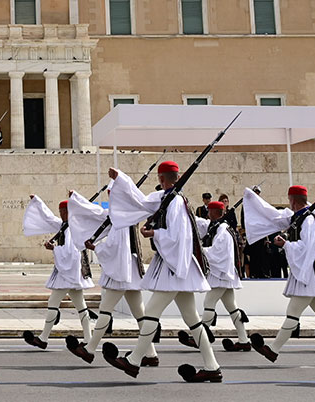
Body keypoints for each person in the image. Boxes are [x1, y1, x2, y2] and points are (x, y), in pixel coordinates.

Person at [101, 162, 222, 383]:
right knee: (193, 321)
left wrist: (154, 233)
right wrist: (121, 178)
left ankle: (135, 360)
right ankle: (212, 366)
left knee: (151, 312)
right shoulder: (168, 198)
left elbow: (177, 237)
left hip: (174, 268)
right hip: (176, 268)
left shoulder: (175, 202)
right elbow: (140, 201)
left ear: (161, 178)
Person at [242, 185, 315, 368]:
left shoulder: (308, 220)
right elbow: (276, 217)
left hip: (309, 275)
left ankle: (273, 350)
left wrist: (285, 245)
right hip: (311, 275)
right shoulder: (301, 218)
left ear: (292, 199)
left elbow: (307, 248)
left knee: (293, 314)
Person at [64, 184, 148, 366]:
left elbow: (115, 245)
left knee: (105, 310)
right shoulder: (125, 212)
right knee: (140, 314)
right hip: (130, 268)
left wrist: (96, 247)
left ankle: (90, 349)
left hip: (121, 269)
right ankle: (150, 354)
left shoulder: (120, 216)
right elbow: (97, 213)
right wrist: (76, 198)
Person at [20, 195, 94, 350]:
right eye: (60, 211)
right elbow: (48, 217)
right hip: (68, 271)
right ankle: (88, 338)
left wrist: (54, 249)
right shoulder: (64, 225)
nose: (61, 214)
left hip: (69, 272)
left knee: (54, 303)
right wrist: (38, 201)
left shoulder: (74, 228)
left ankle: (43, 338)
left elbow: (72, 252)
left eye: (64, 211)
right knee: (81, 306)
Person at [196, 200, 252, 353]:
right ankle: (244, 340)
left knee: (209, 303)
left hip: (221, 274)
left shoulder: (223, 230)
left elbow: (217, 253)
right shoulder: (216, 227)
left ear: (215, 213)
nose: (207, 214)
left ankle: (201, 338)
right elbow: (200, 223)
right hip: (223, 274)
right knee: (232, 308)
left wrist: (201, 250)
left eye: (210, 211)